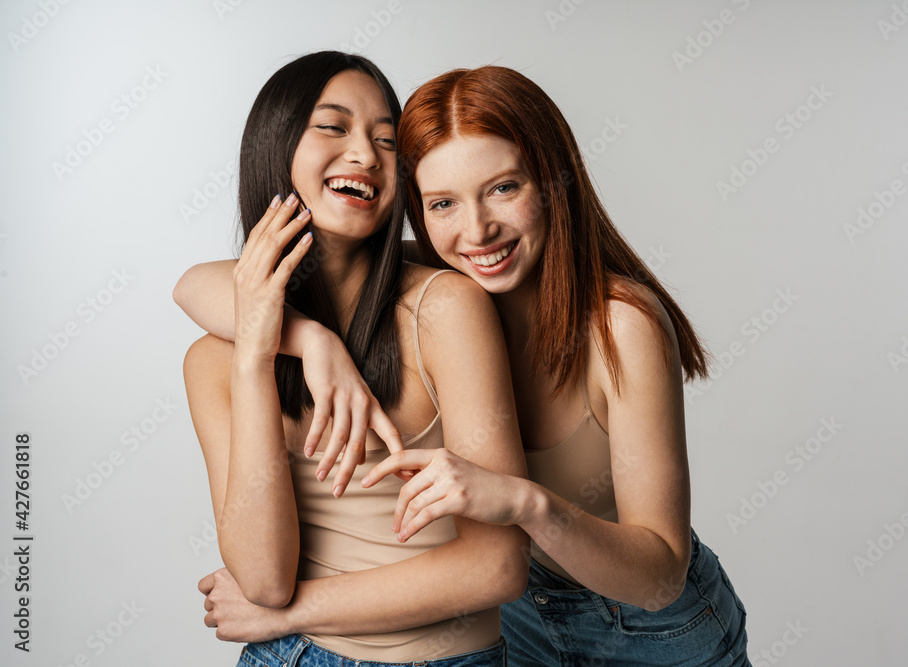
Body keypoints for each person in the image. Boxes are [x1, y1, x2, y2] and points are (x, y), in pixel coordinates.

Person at [179, 64, 750, 665]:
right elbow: (198, 286)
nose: (478, 229)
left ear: (554, 184)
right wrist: (308, 339)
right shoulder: (441, 283)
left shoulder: (621, 326)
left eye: (504, 188)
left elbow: (658, 576)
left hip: (642, 625)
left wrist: (525, 502)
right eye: (444, 202)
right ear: (417, 210)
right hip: (518, 617)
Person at [179, 52, 528, 667]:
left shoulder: (445, 310)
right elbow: (261, 578)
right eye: (333, 127)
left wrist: (285, 612)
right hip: (281, 656)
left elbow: (496, 566)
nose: (366, 154)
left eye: (386, 140)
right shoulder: (214, 358)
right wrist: (279, 347)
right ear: (276, 144)